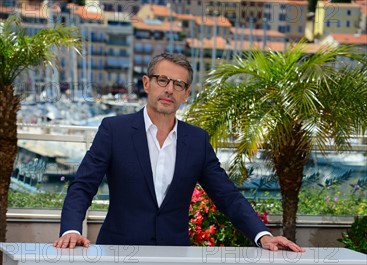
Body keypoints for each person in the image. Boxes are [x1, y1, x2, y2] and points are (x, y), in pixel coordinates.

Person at [54, 53, 304, 252]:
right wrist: (71, 230)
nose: (169, 89)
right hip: (118, 253)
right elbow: (83, 186)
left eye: (178, 84)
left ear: (186, 93)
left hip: (174, 257)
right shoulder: (114, 130)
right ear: (147, 83)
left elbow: (227, 195)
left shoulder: (196, 140)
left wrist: (263, 236)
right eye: (162, 80)